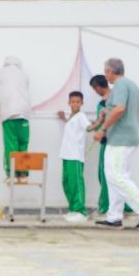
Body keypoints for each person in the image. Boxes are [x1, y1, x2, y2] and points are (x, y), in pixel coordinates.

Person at [92, 58, 139, 229]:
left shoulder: (120, 86)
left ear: (109, 72)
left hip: (119, 139)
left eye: (106, 71)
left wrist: (104, 128)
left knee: (116, 176)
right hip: (128, 137)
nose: (106, 75)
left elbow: (120, 109)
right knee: (115, 176)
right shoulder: (133, 86)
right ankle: (114, 217)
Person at [0, 56, 32, 183]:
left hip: (9, 116)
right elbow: (18, 96)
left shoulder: (1, 73)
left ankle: (12, 175)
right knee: (23, 145)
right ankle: (23, 176)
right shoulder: (23, 74)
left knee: (11, 146)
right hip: (24, 115)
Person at [57, 91, 91, 222]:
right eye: (73, 102)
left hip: (75, 156)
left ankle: (81, 211)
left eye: (78, 102)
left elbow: (88, 127)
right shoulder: (72, 117)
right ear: (69, 103)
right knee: (67, 183)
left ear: (82, 103)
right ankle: (73, 209)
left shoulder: (82, 116)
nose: (75, 104)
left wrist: (99, 123)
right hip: (66, 155)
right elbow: (72, 126)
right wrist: (63, 118)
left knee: (76, 184)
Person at [87, 74, 112, 214]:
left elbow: (102, 123)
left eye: (94, 89)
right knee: (108, 175)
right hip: (109, 142)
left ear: (97, 87)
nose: (95, 92)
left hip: (109, 143)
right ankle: (116, 207)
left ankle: (105, 207)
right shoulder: (105, 102)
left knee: (105, 175)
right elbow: (98, 122)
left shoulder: (108, 102)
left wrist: (98, 127)